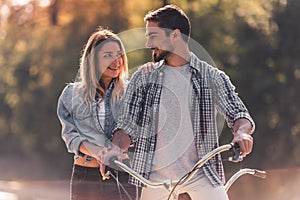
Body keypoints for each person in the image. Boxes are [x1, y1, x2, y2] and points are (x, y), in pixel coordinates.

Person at [105, 4, 255, 200]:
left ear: (175, 35)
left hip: (203, 177)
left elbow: (239, 114)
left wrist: (241, 133)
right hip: (156, 181)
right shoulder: (144, 77)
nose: (149, 44)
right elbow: (126, 126)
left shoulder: (210, 76)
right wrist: (115, 149)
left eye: (153, 36)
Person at [57, 27, 137, 200]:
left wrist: (112, 153)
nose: (116, 60)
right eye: (108, 55)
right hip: (85, 178)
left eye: (119, 54)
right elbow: (71, 136)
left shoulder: (131, 92)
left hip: (122, 176)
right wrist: (99, 152)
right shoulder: (71, 94)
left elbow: (133, 130)